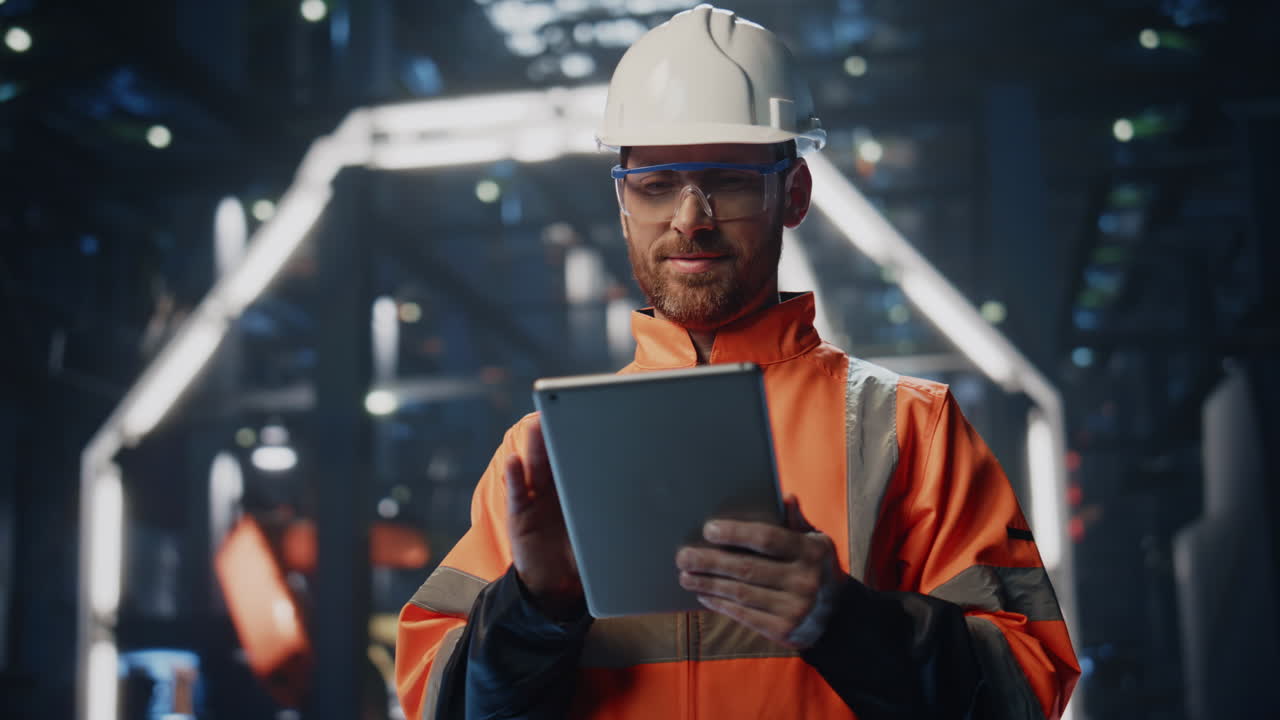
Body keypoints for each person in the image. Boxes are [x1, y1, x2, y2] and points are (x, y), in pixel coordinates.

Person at [396, 5, 1080, 719]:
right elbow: (431, 699)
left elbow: (1026, 690)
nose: (689, 217)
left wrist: (845, 623)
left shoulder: (908, 430)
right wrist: (534, 611)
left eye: (726, 180)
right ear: (623, 205)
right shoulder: (543, 458)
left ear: (794, 194)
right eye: (656, 185)